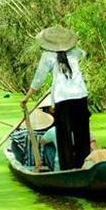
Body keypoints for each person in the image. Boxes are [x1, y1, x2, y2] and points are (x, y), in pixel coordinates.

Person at [21, 26, 90, 170]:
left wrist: (26, 98)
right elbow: (85, 53)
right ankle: (83, 165)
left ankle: (67, 169)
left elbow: (38, 79)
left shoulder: (48, 56)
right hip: (80, 96)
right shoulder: (75, 52)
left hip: (62, 98)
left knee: (63, 136)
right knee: (82, 134)